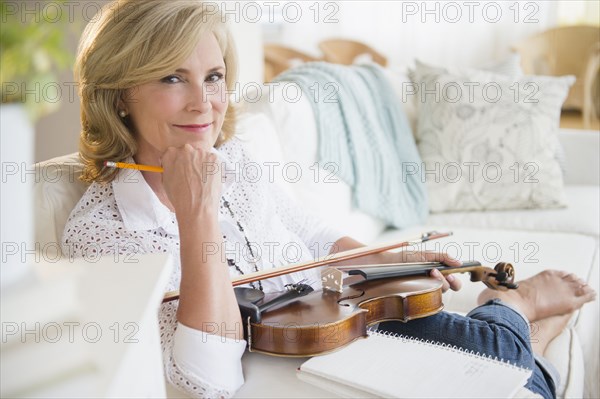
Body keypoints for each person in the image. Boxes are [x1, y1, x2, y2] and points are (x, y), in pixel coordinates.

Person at [62, 1, 596, 398]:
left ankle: (521, 329)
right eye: (172, 77)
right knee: (519, 376)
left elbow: (309, 233)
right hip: (303, 351)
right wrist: (197, 214)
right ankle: (517, 308)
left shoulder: (238, 157)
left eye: (215, 76)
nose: (204, 103)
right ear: (119, 94)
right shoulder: (101, 229)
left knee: (507, 373)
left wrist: (394, 262)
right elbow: (210, 379)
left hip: (344, 310)